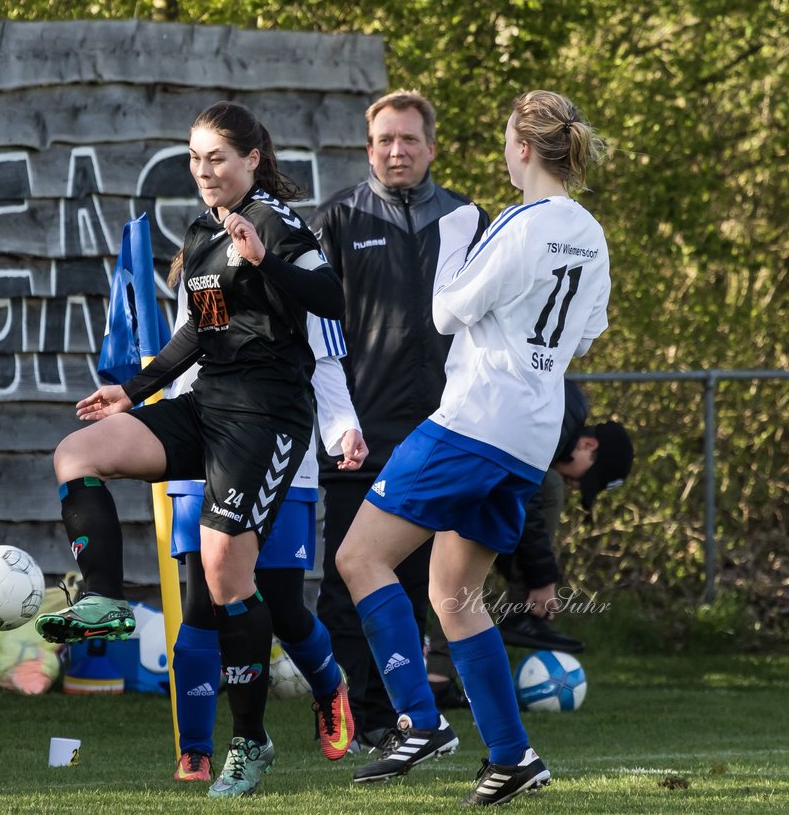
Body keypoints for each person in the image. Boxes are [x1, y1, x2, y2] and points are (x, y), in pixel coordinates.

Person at [36, 101, 344, 798]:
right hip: (206, 405)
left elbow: (332, 297)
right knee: (76, 456)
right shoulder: (202, 232)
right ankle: (104, 601)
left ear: (252, 160)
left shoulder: (276, 223)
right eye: (195, 159)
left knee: (226, 581)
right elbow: (200, 336)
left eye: (218, 160)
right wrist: (133, 392)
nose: (204, 172)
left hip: (267, 420)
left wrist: (269, 263)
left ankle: (250, 742)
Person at [336, 89, 609, 806]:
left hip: (473, 421)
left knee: (359, 557)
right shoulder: (589, 230)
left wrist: (458, 247)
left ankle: (417, 721)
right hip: (529, 435)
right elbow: (587, 333)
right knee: (454, 597)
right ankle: (514, 756)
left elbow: (445, 311)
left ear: (522, 148)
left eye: (504, 142)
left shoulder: (516, 224)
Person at [311, 89, 489, 744]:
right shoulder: (335, 221)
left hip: (439, 438)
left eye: (409, 139)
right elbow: (317, 337)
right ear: (368, 149)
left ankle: (398, 720)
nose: (397, 150)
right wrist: (339, 425)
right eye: (385, 139)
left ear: (431, 147)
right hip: (359, 439)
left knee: (414, 588)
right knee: (344, 589)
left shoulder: (470, 220)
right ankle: (346, 718)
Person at [164, 285, 366, 780]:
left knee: (279, 606)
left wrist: (344, 428)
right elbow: (188, 347)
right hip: (204, 450)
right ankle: (195, 750)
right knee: (202, 607)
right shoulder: (202, 256)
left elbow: (326, 359)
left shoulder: (298, 261)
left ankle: (328, 689)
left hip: (281, 456)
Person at [495, 379, 633, 652]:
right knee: (549, 486)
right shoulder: (558, 417)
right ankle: (522, 613)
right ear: (587, 444)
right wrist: (542, 579)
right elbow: (526, 498)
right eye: (587, 478)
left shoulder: (563, 411)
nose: (577, 485)